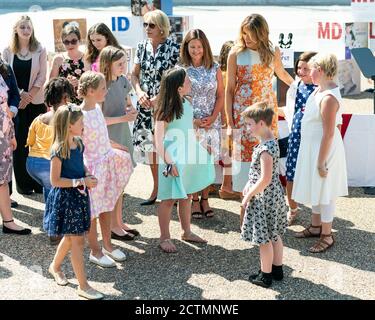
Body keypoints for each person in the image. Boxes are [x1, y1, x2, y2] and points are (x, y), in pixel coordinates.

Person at [225, 14, 293, 194]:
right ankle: (245, 206)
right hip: (243, 114)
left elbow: (281, 73)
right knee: (244, 160)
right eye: (244, 33)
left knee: (267, 153)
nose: (246, 38)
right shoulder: (235, 53)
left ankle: (266, 202)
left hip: (266, 114)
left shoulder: (272, 50)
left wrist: (300, 87)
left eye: (250, 34)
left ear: (261, 33)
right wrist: (230, 124)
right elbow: (229, 89)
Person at [45, 104, 103, 300]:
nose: (84, 124)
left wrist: (87, 173)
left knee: (71, 238)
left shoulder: (78, 143)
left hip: (79, 196)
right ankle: (83, 286)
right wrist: (82, 181)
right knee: (77, 241)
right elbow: (55, 181)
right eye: (81, 122)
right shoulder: (58, 150)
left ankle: (55, 266)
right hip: (66, 199)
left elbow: (81, 164)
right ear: (70, 126)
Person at [154, 67, 214, 253]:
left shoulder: (186, 103)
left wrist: (200, 146)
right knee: (168, 199)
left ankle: (186, 231)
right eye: (188, 81)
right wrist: (169, 162)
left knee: (186, 195)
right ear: (179, 88)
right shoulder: (165, 109)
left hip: (187, 154)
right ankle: (164, 237)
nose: (191, 83)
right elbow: (158, 139)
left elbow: (188, 129)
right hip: (172, 159)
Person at [292, 53, 348, 253]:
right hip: (312, 147)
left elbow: (329, 133)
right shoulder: (318, 90)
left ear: (321, 70)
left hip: (323, 150)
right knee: (316, 186)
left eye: (312, 68)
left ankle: (327, 234)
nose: (307, 72)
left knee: (325, 190)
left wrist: (321, 161)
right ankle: (316, 226)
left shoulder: (329, 98)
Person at [79, 71, 133, 267]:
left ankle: (108, 244)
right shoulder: (79, 115)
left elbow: (101, 133)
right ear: (91, 91)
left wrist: (114, 145)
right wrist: (84, 170)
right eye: (103, 88)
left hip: (106, 161)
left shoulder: (97, 109)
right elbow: (79, 145)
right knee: (93, 211)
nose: (106, 91)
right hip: (93, 167)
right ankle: (95, 250)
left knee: (107, 205)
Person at [131, 9, 180, 205]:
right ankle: (157, 188)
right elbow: (134, 75)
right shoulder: (141, 46)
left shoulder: (173, 48)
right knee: (150, 146)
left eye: (151, 25)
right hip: (144, 104)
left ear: (162, 28)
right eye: (145, 25)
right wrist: (139, 93)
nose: (147, 29)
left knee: (168, 145)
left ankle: (174, 188)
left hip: (165, 104)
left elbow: (177, 79)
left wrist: (159, 97)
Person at [240, 102, 287, 288]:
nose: (248, 128)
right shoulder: (270, 141)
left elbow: (265, 179)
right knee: (274, 234)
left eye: (250, 124)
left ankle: (265, 275)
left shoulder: (265, 149)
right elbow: (259, 175)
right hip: (272, 196)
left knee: (264, 239)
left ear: (261, 123)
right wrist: (247, 184)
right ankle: (277, 269)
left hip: (263, 198)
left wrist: (248, 195)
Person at [180, 29, 224, 219]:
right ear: (186, 48)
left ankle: (206, 199)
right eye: (192, 47)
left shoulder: (215, 67)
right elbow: (179, 97)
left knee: (207, 161)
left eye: (199, 46)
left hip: (212, 122)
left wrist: (214, 117)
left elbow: (221, 94)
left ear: (205, 47)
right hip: (192, 122)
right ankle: (195, 200)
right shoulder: (182, 69)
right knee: (193, 161)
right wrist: (194, 121)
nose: (196, 50)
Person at [3, 15, 47, 195]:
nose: (26, 31)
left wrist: (29, 96)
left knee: (37, 142)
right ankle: (23, 184)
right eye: (22, 27)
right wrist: (20, 95)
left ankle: (39, 181)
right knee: (19, 144)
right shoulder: (7, 51)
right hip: (15, 103)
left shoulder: (40, 49)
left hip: (35, 102)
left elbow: (42, 76)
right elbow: (5, 77)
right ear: (15, 30)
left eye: (29, 27)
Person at [99, 46, 139, 240]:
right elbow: (98, 120)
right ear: (108, 64)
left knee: (122, 182)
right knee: (114, 183)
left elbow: (127, 102)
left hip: (123, 134)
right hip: (108, 138)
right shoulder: (101, 85)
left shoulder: (123, 81)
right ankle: (113, 226)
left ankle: (119, 221)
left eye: (125, 63)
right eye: (119, 64)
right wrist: (124, 118)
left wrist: (131, 111)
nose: (124, 67)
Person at [279, 51, 317, 225]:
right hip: (295, 139)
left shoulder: (320, 90)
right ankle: (292, 209)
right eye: (299, 68)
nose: (301, 71)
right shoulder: (296, 86)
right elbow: (289, 110)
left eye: (306, 68)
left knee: (315, 177)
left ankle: (318, 217)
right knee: (290, 175)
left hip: (313, 141)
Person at [26, 78, 74, 203]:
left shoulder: (39, 118)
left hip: (32, 163)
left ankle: (49, 216)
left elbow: (29, 142)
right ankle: (51, 220)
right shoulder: (66, 120)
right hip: (49, 164)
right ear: (65, 97)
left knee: (49, 190)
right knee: (54, 198)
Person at [0, 63, 31, 236]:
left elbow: (6, 104)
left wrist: (11, 134)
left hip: (3, 133)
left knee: (3, 180)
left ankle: (8, 222)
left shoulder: (1, 68)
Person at [217, 40, 238, 200]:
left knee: (225, 153)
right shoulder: (228, 75)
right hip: (227, 117)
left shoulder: (219, 74)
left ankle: (222, 185)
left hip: (221, 118)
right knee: (229, 154)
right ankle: (226, 186)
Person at [0, 55, 20, 208]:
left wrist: (11, 114)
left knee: (3, 178)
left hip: (5, 129)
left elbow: (13, 95)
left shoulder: (5, 67)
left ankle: (6, 215)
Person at [49, 23, 86, 104]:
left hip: (83, 104)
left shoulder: (86, 59)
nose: (70, 44)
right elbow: (51, 84)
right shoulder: (58, 59)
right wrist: (65, 83)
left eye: (73, 41)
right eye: (66, 42)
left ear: (79, 40)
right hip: (63, 103)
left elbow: (93, 83)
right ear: (62, 42)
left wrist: (79, 82)